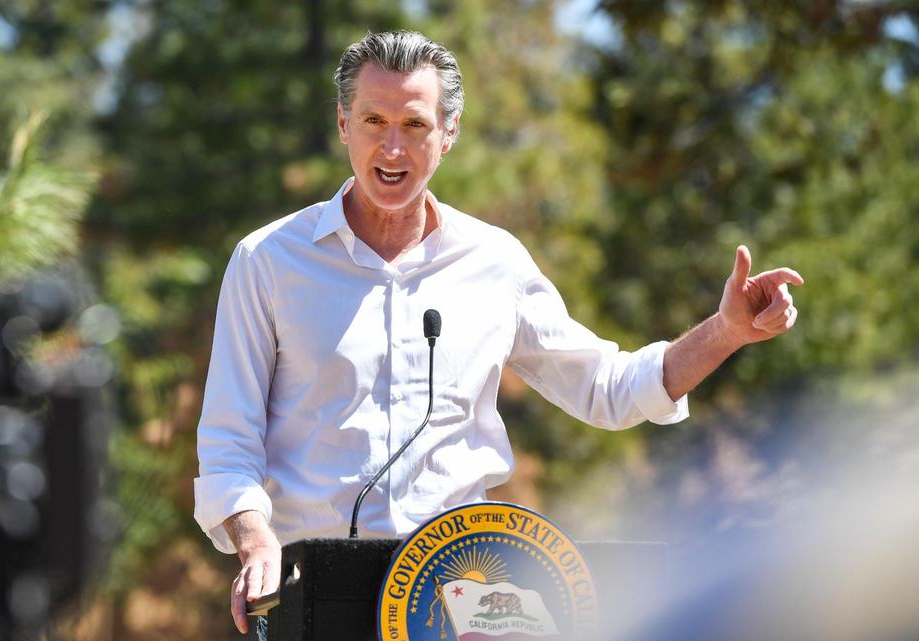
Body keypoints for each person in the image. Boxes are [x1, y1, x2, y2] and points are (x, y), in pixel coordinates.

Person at [193, 30, 803, 635]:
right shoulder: (267, 261)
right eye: (373, 120)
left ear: (449, 134)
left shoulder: (494, 261)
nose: (392, 147)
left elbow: (610, 388)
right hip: (314, 595)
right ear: (343, 124)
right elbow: (228, 443)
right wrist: (255, 542)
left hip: (455, 595)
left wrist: (724, 332)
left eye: (415, 124)